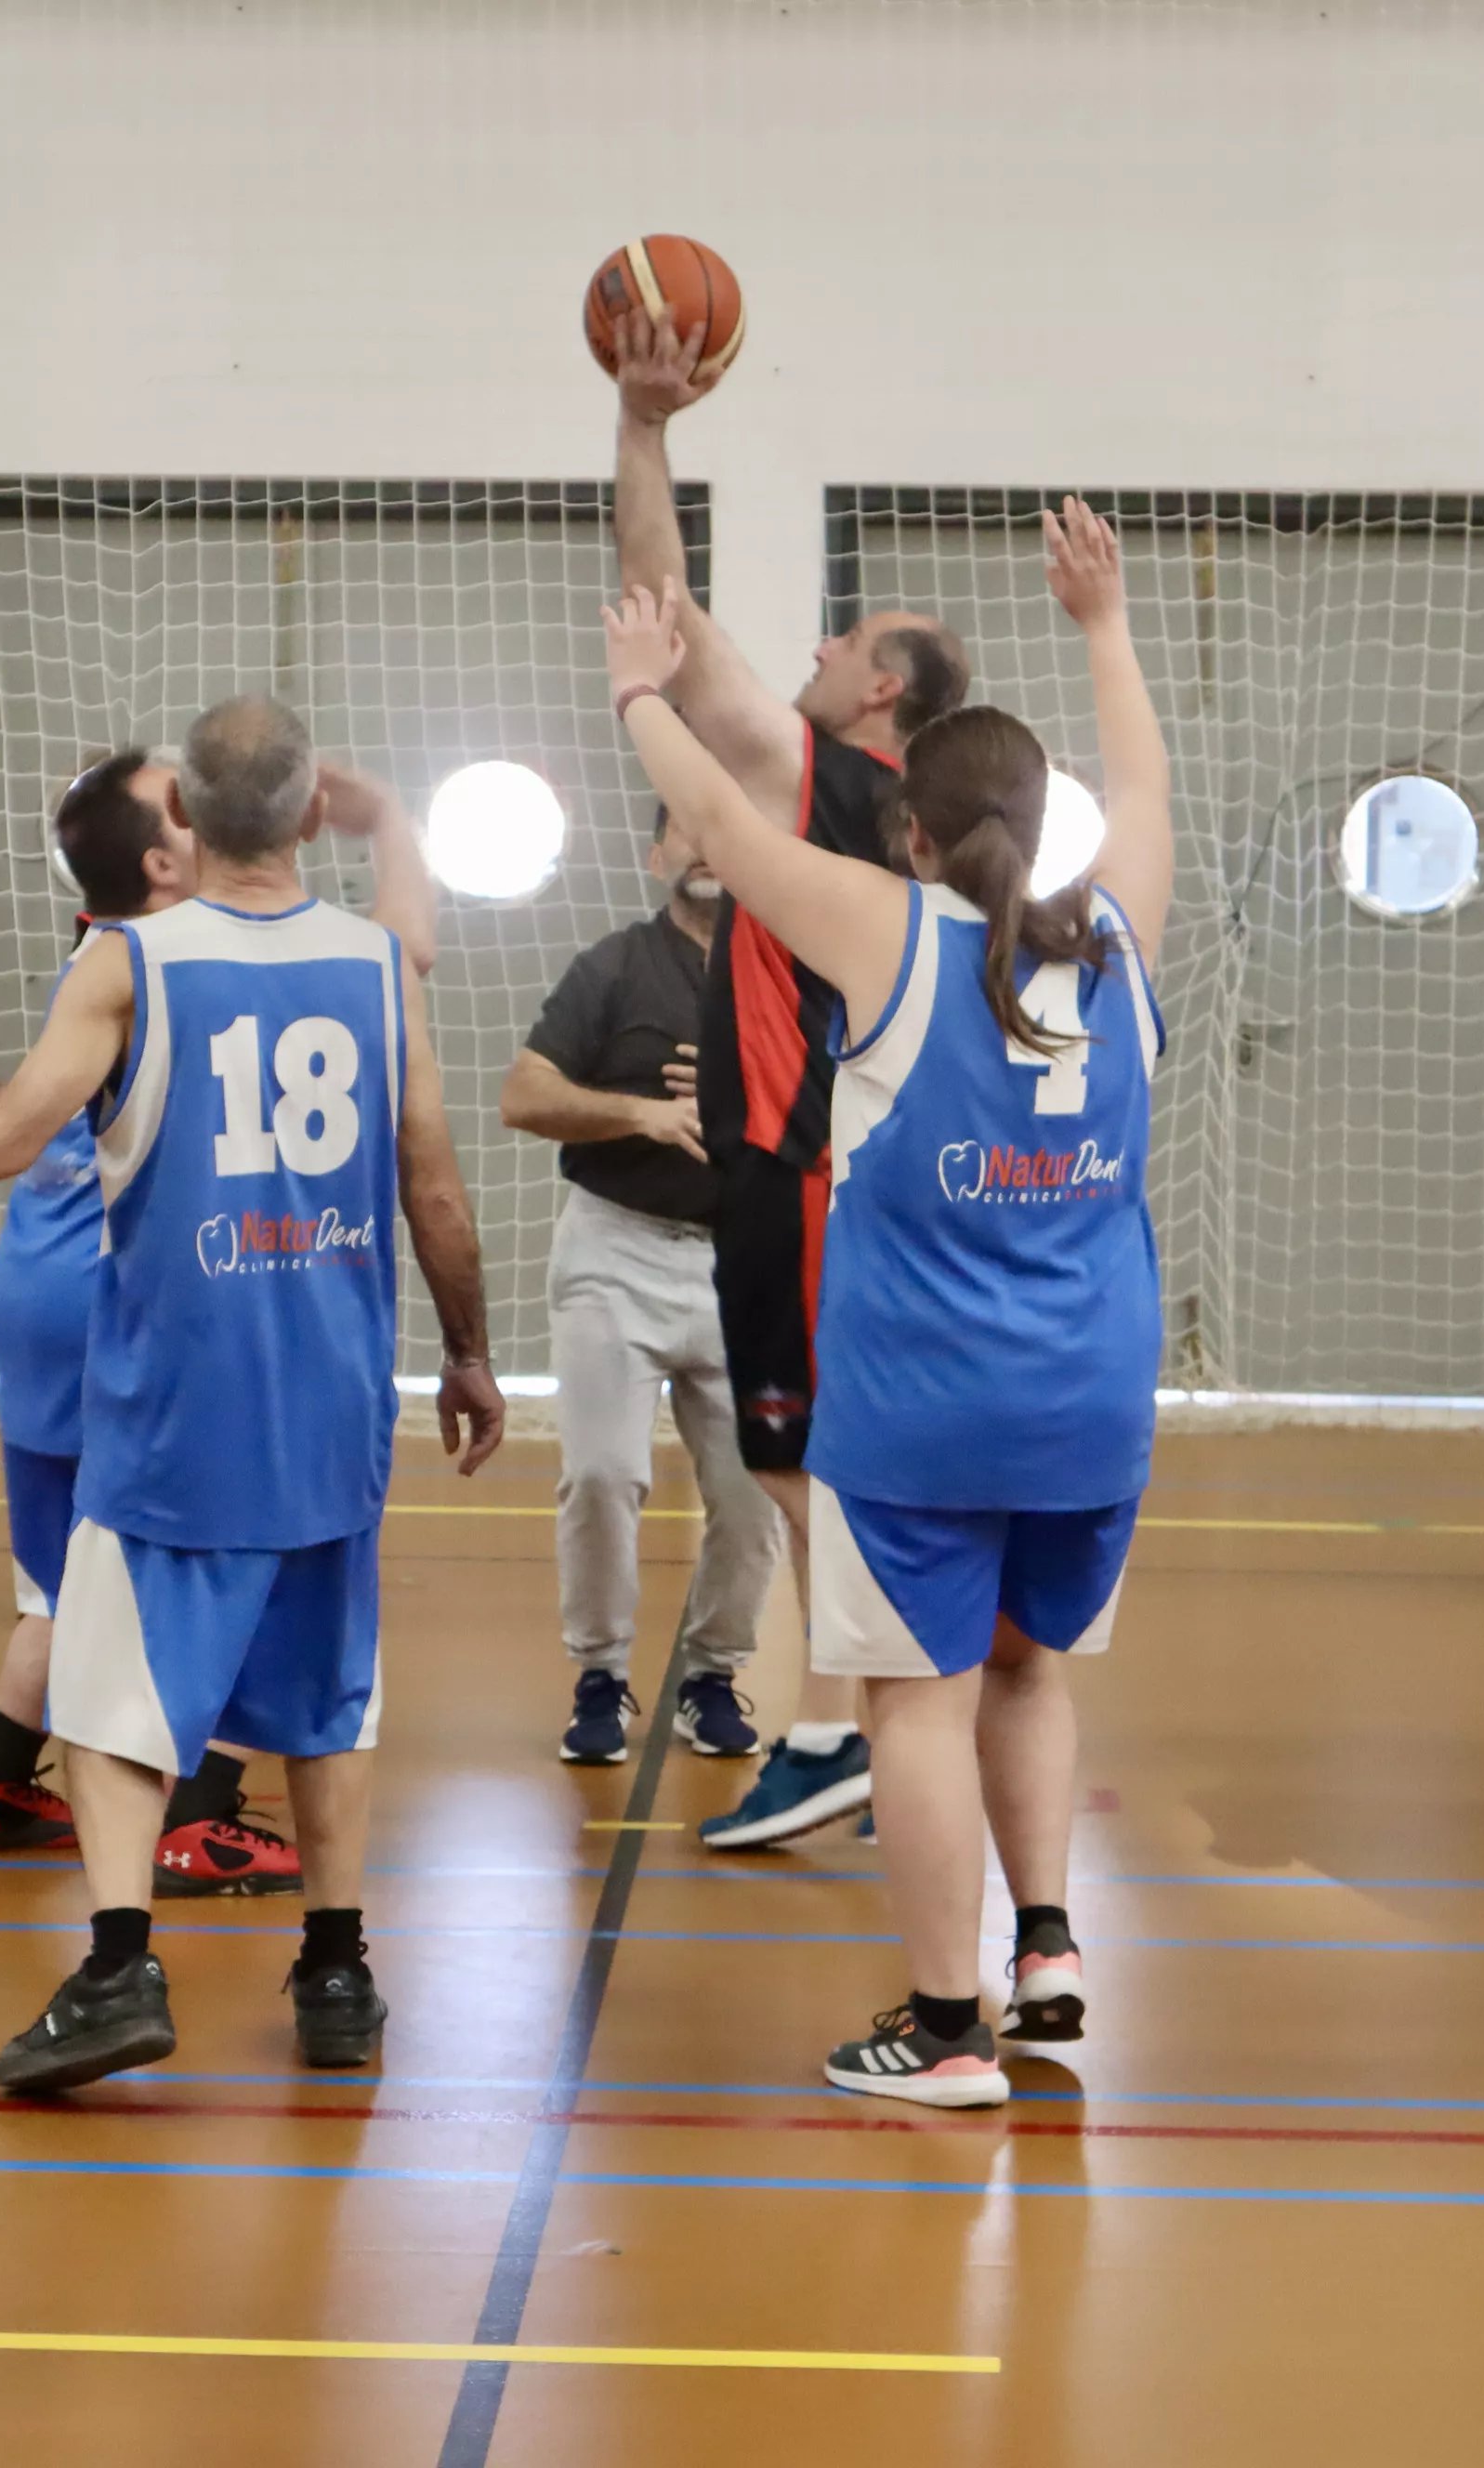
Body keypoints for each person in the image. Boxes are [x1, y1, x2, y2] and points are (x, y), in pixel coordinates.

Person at [604, 496, 1172, 2107]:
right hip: (1090, 1396)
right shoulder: (1121, 940)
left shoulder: (883, 932)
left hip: (922, 1402)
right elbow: (1142, 786)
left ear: (907, 828)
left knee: (907, 1704)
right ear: (1044, 818)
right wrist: (1103, 626)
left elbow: (719, 828)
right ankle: (1045, 1943)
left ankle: (938, 2028)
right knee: (1028, 1669)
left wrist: (641, 695)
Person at [0, 695, 505, 2090]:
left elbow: (3, 1144)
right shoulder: (378, 964)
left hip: (179, 1407)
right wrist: (472, 1351)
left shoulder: (130, 960)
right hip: (329, 1398)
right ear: (311, 816)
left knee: (115, 1701)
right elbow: (432, 1180)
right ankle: (339, 1970)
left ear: (180, 816)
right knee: (329, 1701)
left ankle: (121, 1965)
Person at [611, 304, 973, 1849]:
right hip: (830, 1163)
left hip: (804, 1160)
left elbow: (666, 620)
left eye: (846, 643)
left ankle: (843, 1725)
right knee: (803, 1458)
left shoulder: (831, 780)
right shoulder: (893, 811)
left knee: (798, 1458)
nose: (821, 649)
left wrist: (640, 426)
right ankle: (870, 1720)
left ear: (884, 692)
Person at [501, 805, 781, 1763]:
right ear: (659, 852)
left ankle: (713, 1672)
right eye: (684, 832)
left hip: (748, 1260)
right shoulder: (614, 966)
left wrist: (746, 1102)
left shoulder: (793, 977)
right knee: (603, 1474)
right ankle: (600, 1674)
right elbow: (523, 1094)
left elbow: (846, 1106)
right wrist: (642, 1116)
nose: (705, 847)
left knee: (756, 1492)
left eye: (721, 829)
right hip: (615, 1251)